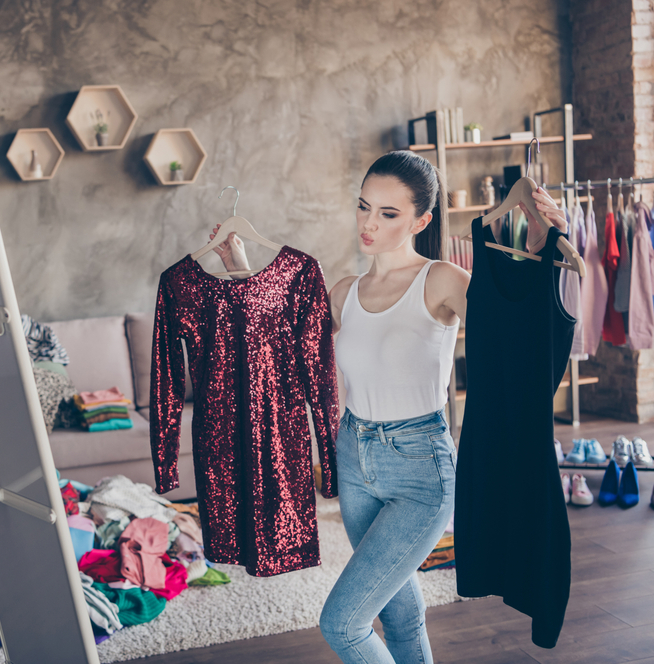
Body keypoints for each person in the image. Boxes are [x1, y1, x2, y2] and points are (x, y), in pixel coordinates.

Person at [210, 150, 567, 663]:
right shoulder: (344, 293)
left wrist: (537, 251)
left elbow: (514, 331)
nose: (368, 223)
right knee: (398, 614)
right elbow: (279, 347)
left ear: (422, 220)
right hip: (353, 459)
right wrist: (242, 269)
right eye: (363, 206)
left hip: (420, 469)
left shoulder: (442, 280)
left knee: (342, 623)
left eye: (388, 213)